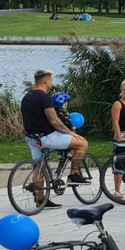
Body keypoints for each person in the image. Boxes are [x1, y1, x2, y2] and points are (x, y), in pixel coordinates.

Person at [20, 70, 89, 200]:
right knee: (82, 143)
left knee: (40, 166)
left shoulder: (26, 97)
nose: (52, 82)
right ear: (46, 81)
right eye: (51, 79)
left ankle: (40, 200)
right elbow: (54, 120)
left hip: (32, 138)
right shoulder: (45, 97)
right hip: (46, 137)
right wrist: (70, 132)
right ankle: (73, 175)